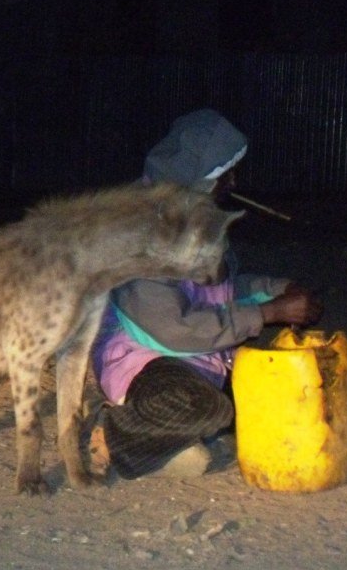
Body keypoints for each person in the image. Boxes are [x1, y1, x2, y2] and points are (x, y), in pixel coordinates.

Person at [90, 109, 323, 479]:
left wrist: (278, 291)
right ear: (197, 176)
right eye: (224, 172)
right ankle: (114, 434)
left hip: (203, 356)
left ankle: (167, 447)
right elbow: (173, 329)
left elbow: (225, 288)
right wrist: (268, 314)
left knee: (267, 400)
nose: (233, 181)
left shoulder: (198, 216)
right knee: (210, 409)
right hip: (146, 359)